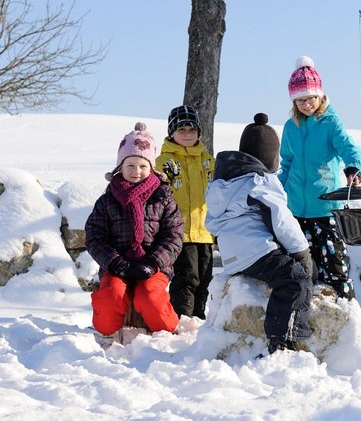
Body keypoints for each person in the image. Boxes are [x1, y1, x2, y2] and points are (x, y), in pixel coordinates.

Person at [205, 113, 314, 355]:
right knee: (296, 281)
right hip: (256, 251)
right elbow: (282, 220)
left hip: (233, 255)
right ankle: (283, 339)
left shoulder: (224, 182)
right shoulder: (259, 181)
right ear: (271, 157)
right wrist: (301, 252)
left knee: (282, 270)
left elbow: (211, 223)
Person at [86, 122, 183, 347]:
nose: (136, 171)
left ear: (151, 168)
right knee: (112, 295)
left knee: (149, 296)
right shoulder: (107, 200)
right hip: (117, 266)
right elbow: (94, 236)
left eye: (142, 165)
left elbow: (174, 235)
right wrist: (114, 262)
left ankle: (167, 333)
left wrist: (153, 262)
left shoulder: (163, 197)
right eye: (130, 165)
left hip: (153, 267)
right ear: (120, 166)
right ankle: (106, 334)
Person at [279, 55, 361, 300]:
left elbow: (349, 149)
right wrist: (278, 192)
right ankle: (310, 309)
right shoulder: (290, 127)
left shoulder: (330, 123)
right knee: (304, 265)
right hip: (296, 208)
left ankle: (346, 308)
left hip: (326, 209)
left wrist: (353, 168)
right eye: (301, 100)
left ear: (321, 96)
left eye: (311, 98)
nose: (307, 104)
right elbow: (287, 162)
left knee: (334, 262)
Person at [156, 105, 216, 320]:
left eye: (192, 130)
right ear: (172, 132)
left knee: (205, 276)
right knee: (187, 277)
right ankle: (182, 318)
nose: (188, 134)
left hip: (205, 231)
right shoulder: (165, 162)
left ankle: (198, 318)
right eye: (182, 130)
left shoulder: (208, 161)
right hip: (179, 232)